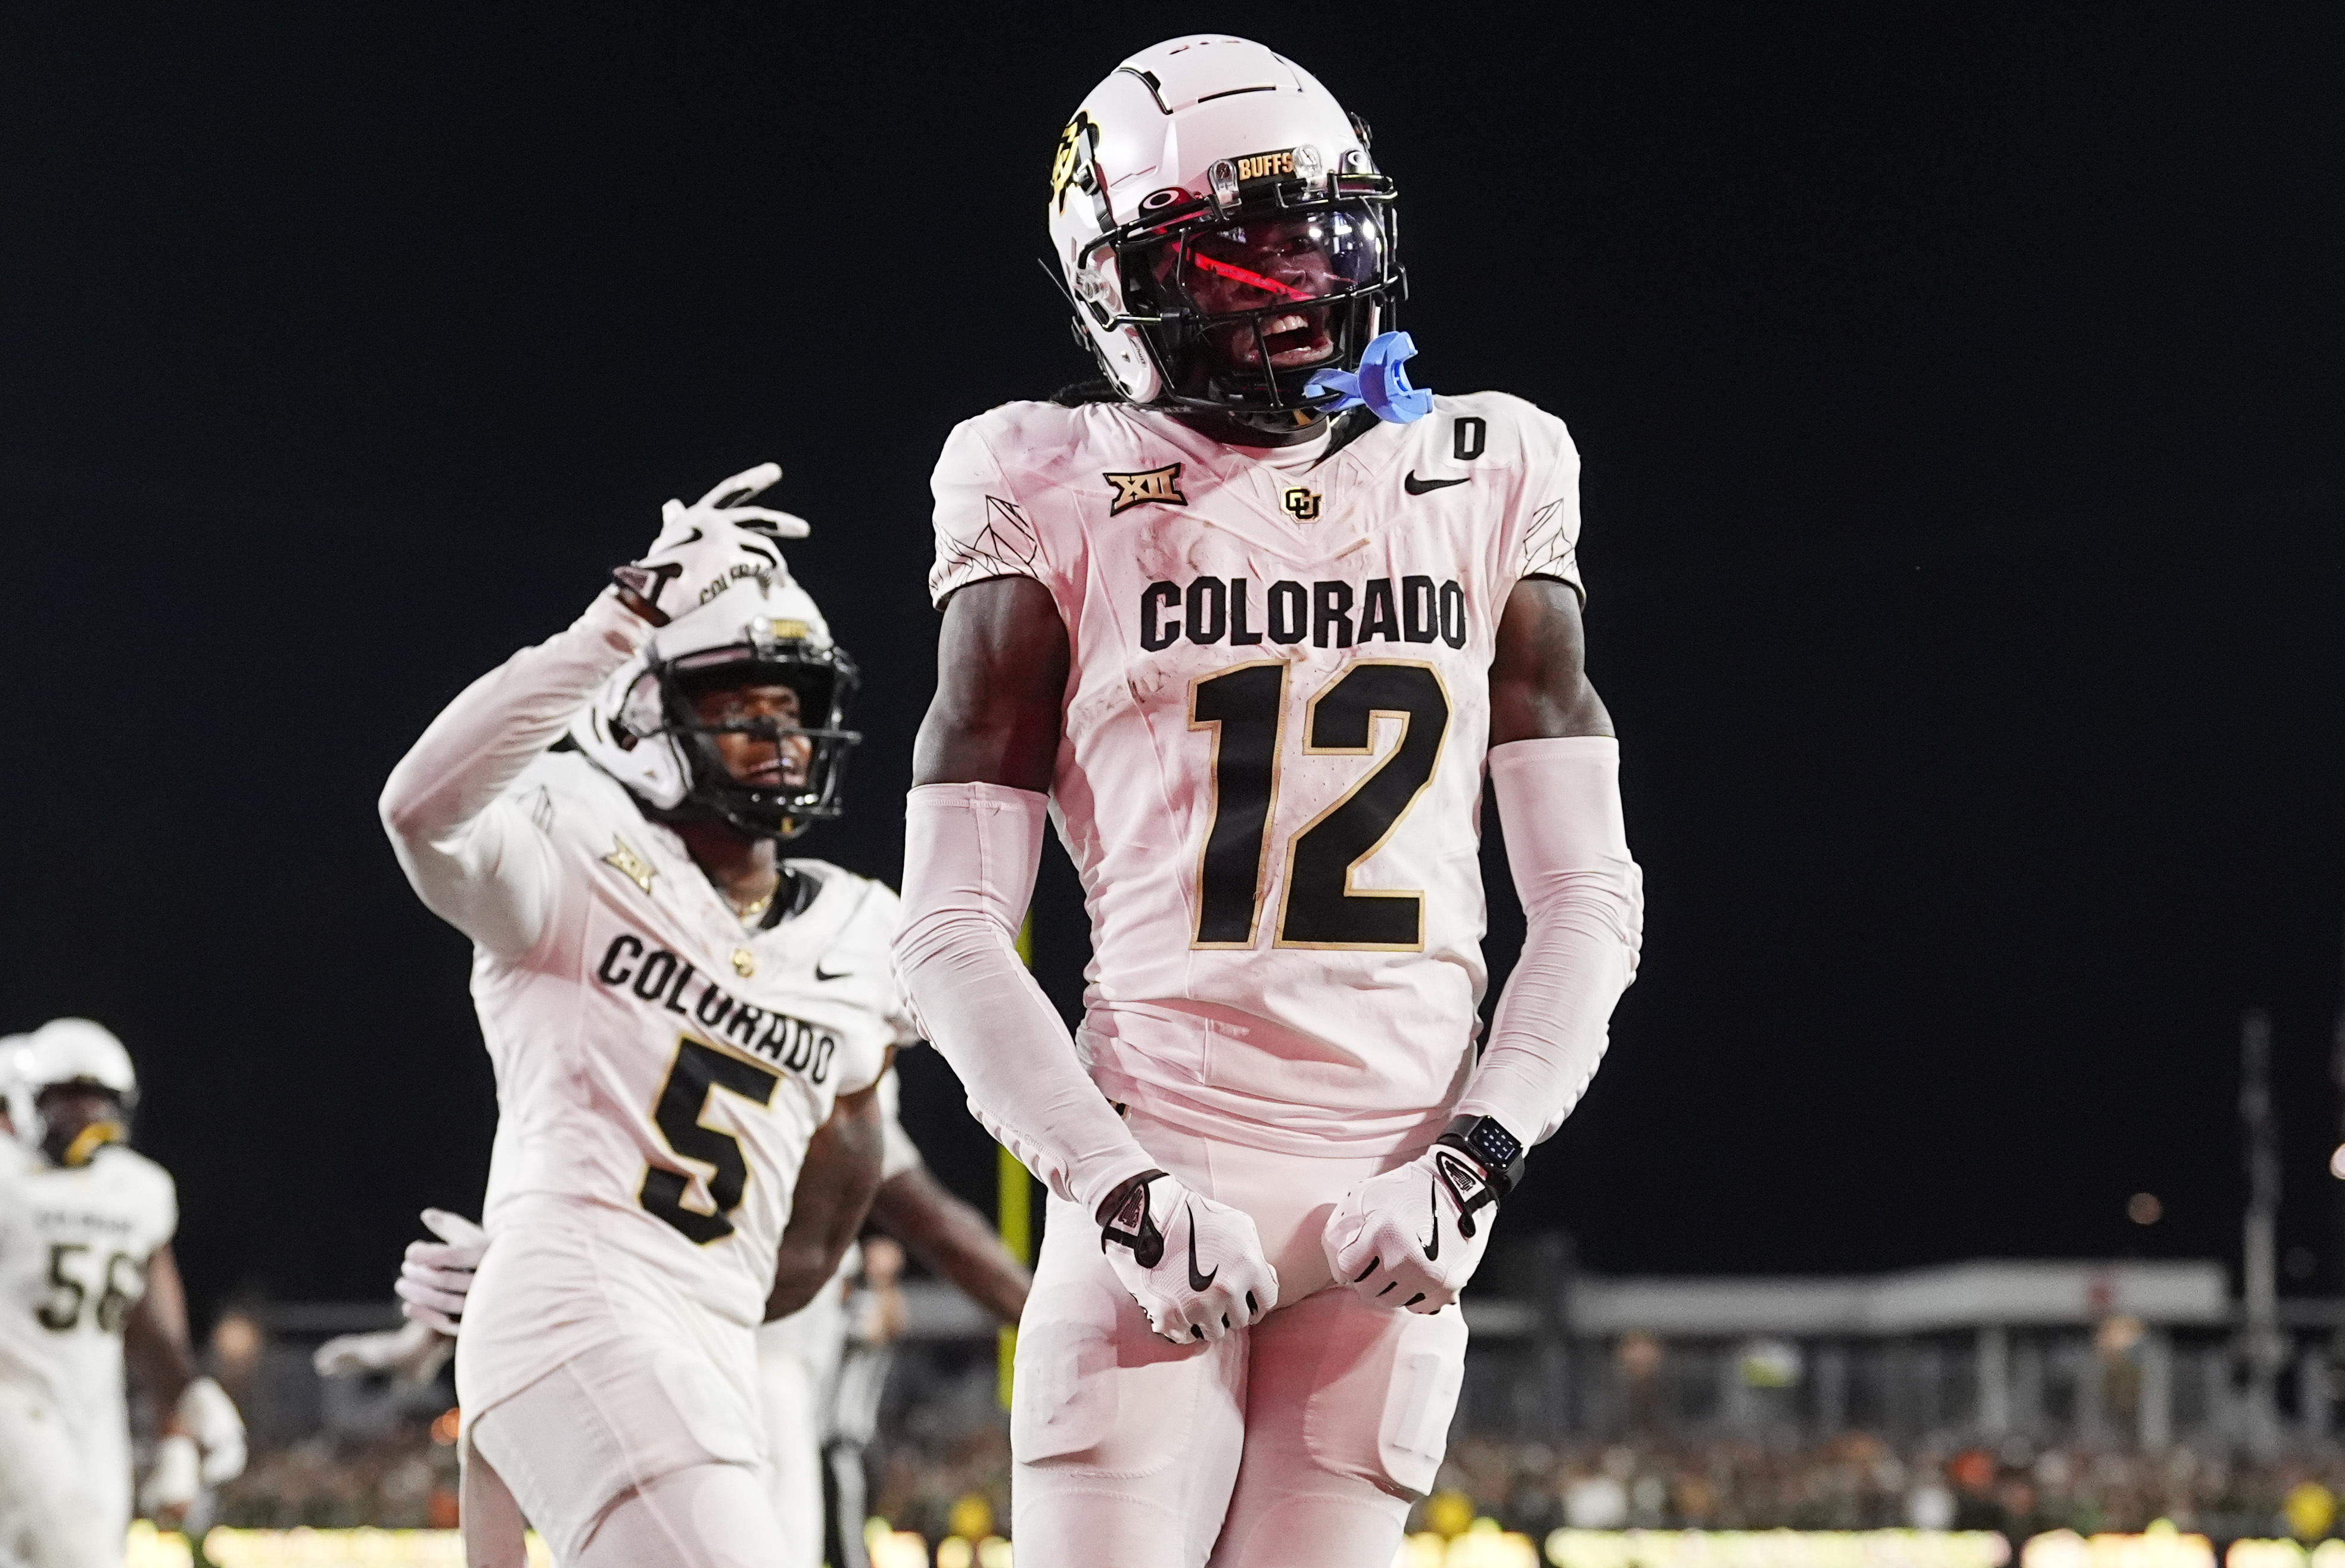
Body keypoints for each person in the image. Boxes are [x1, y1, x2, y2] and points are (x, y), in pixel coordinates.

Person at [892, 35, 1644, 1568]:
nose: (1302, 283)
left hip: (1404, 1198)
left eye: (1320, 236)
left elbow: (1589, 894)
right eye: (1243, 258)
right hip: (1161, 1159)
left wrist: (1478, 1154)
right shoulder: (1042, 476)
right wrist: (1114, 1188)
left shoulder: (1492, 461)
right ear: (1121, 285)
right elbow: (949, 928)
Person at [378, 465, 908, 1566]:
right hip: (576, 1315)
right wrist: (615, 622)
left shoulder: (864, 935)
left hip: (708, 1350)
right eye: (735, 703)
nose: (776, 733)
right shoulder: (574, 841)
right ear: (638, 712)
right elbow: (418, 810)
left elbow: (805, 1249)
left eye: (792, 706)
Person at [323, 1059, 1031, 1568]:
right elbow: (932, 1223)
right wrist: (1061, 1322)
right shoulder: (825, 1032)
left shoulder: (635, 1014)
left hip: (635, 1366)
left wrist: (451, 1320)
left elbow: (544, 1198)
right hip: (742, 1379)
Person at [5, 1019, 245, 1568]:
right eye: (63, 1097)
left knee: (95, 1551)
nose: (83, 1114)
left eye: (97, 1097)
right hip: (13, 1402)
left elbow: (152, 1321)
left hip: (92, 1411)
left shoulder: (139, 1190)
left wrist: (183, 1413)